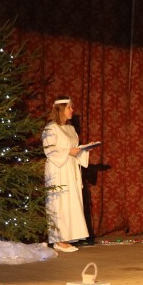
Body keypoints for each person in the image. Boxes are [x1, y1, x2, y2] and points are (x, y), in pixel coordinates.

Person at [42, 96, 91, 252]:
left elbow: (74, 149)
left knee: (71, 202)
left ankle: (67, 237)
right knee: (59, 203)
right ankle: (58, 240)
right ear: (61, 108)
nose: (72, 110)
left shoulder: (70, 129)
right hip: (58, 169)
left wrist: (84, 149)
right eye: (69, 107)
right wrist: (69, 151)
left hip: (70, 168)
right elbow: (50, 150)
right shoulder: (51, 128)